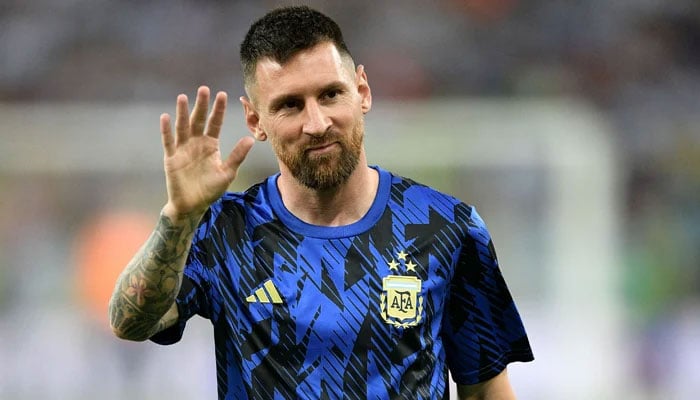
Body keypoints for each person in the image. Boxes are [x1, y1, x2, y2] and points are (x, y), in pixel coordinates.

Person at [108, 5, 533, 399]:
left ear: (362, 91)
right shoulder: (223, 230)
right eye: (290, 105)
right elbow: (130, 323)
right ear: (256, 121)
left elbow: (486, 392)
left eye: (330, 94)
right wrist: (179, 217)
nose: (316, 123)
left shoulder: (447, 228)